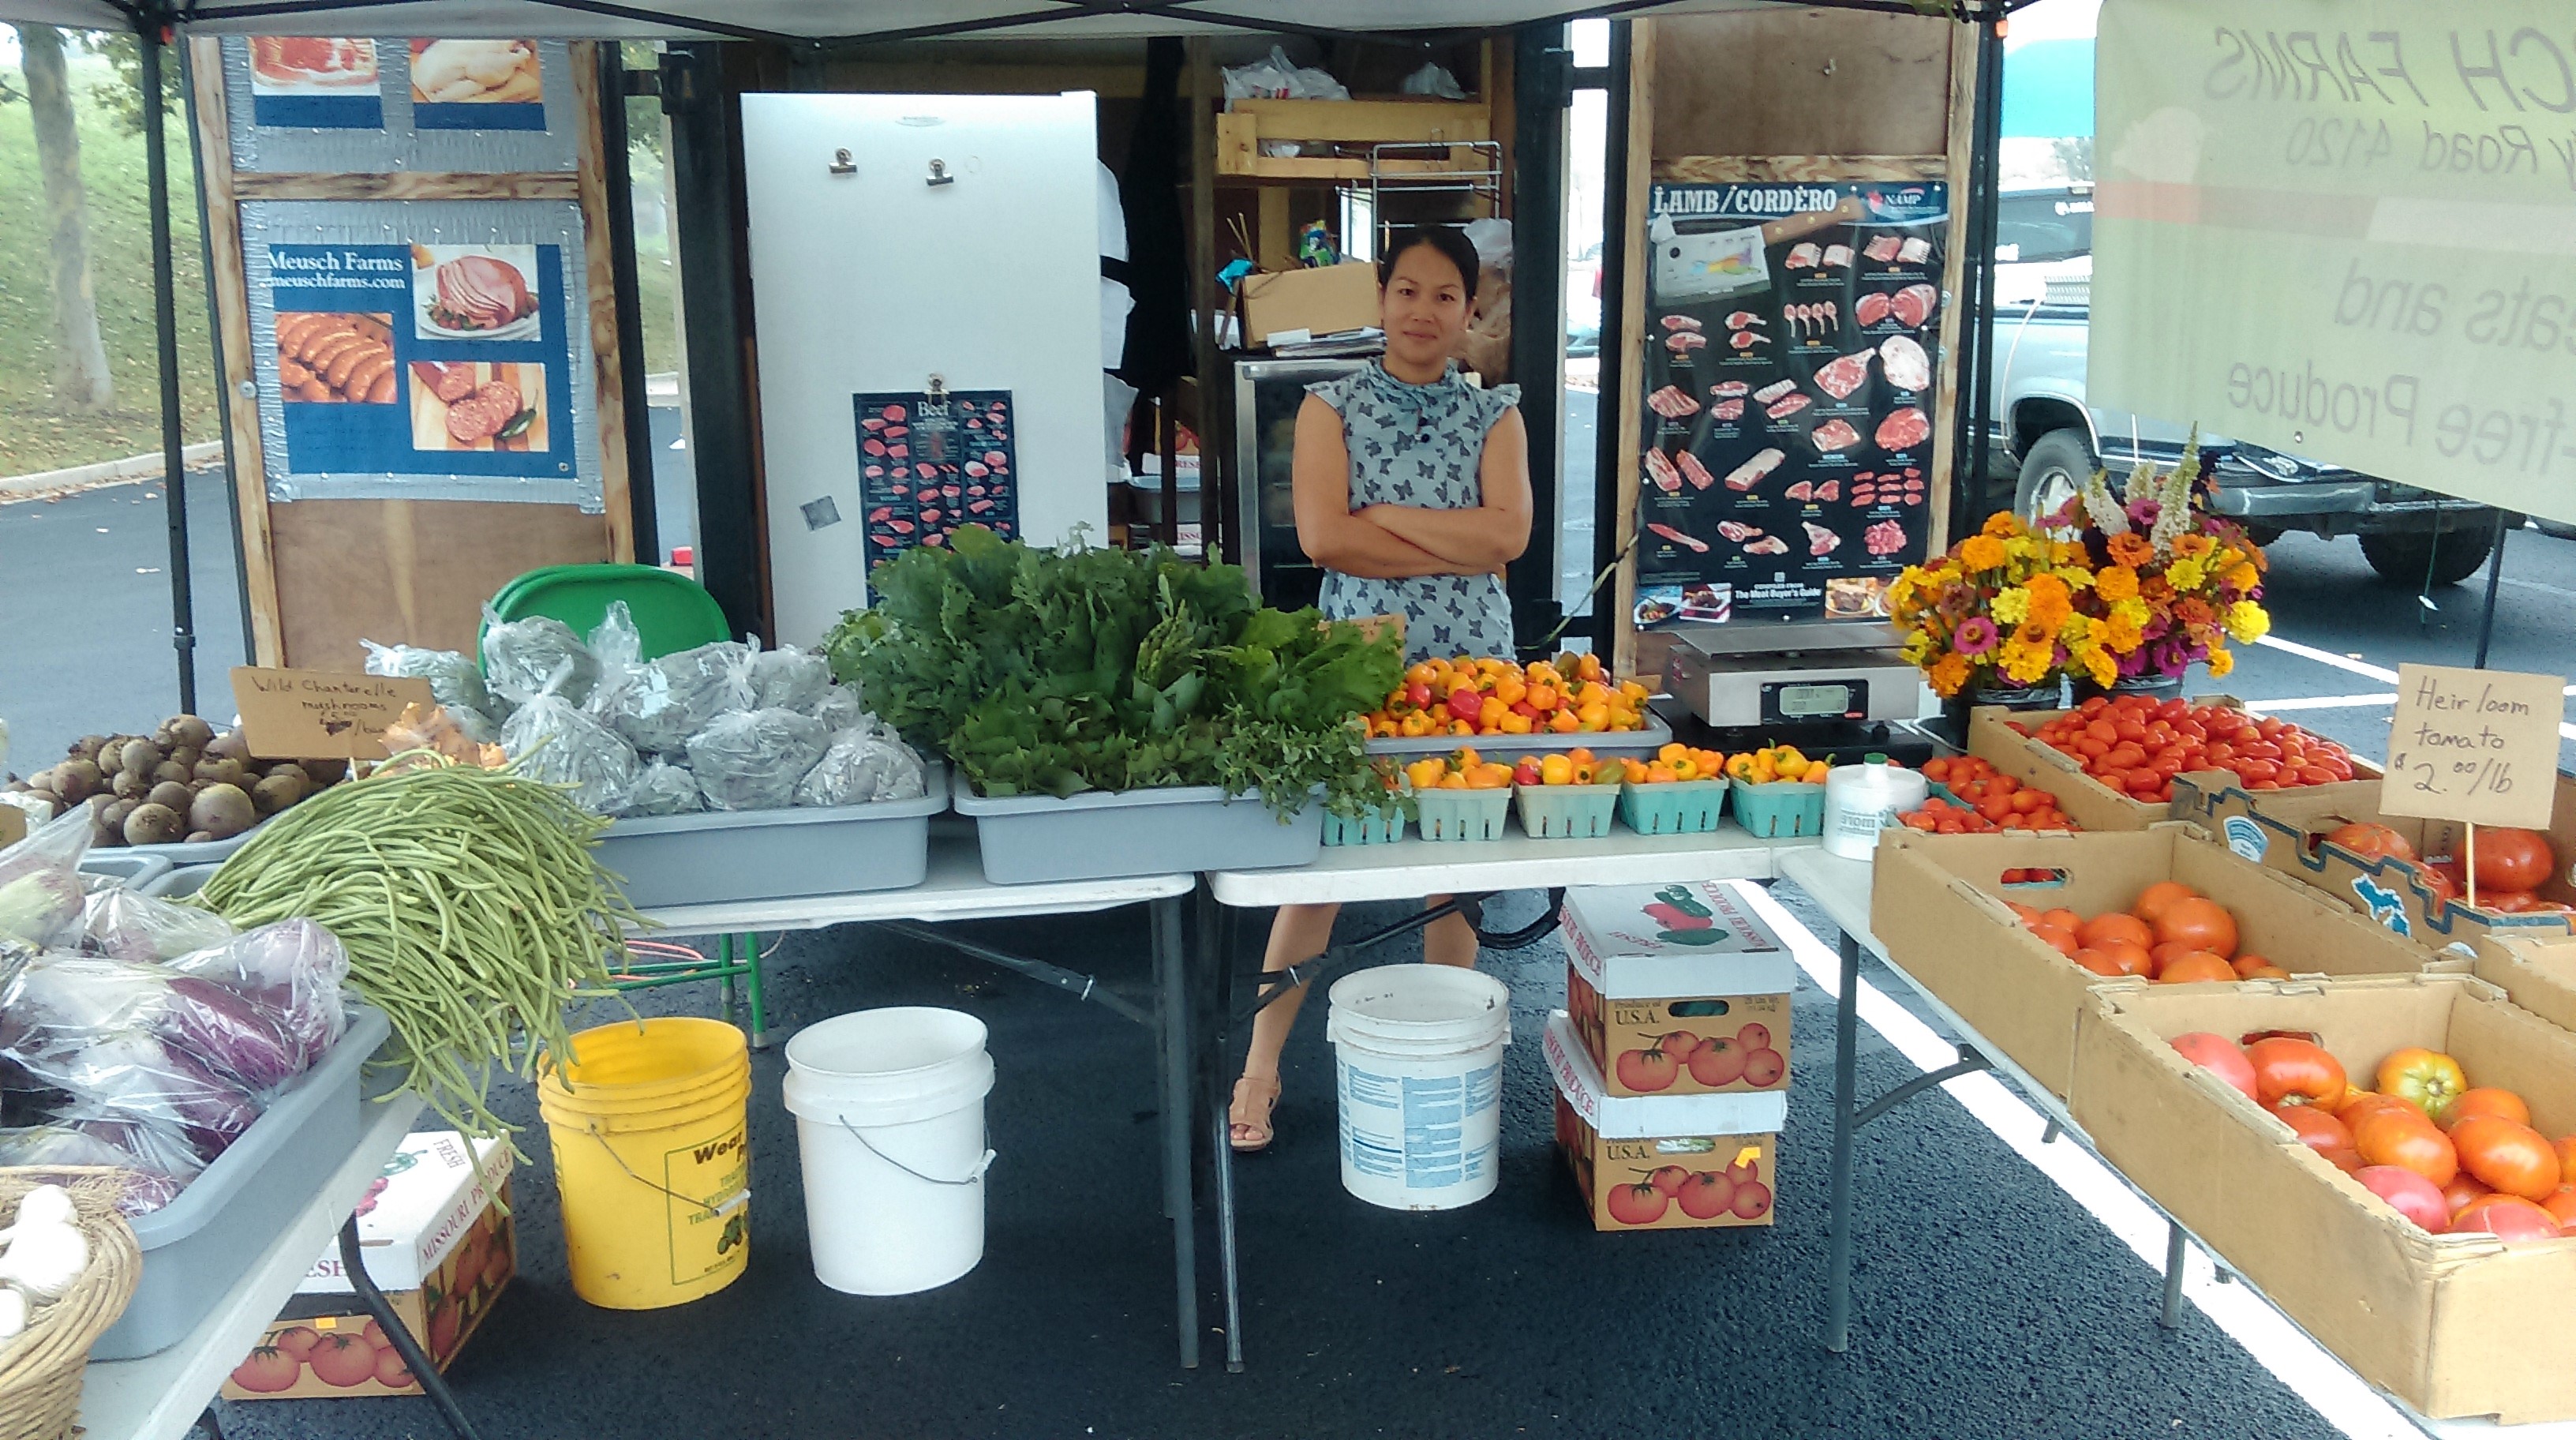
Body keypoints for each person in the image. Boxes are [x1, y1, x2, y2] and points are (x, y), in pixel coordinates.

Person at [1227, 224, 1531, 1153]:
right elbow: (1324, 540)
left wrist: (1389, 516)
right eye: (1407, 291)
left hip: (1473, 665)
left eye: (1445, 295)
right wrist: (1454, 531)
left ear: (1469, 309)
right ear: (1382, 300)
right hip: (1358, 657)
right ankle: (1260, 1068)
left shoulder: (1498, 414)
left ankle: (1451, 1063)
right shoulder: (1330, 407)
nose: (1424, 312)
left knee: (1454, 869)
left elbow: (1507, 539)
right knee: (1320, 872)